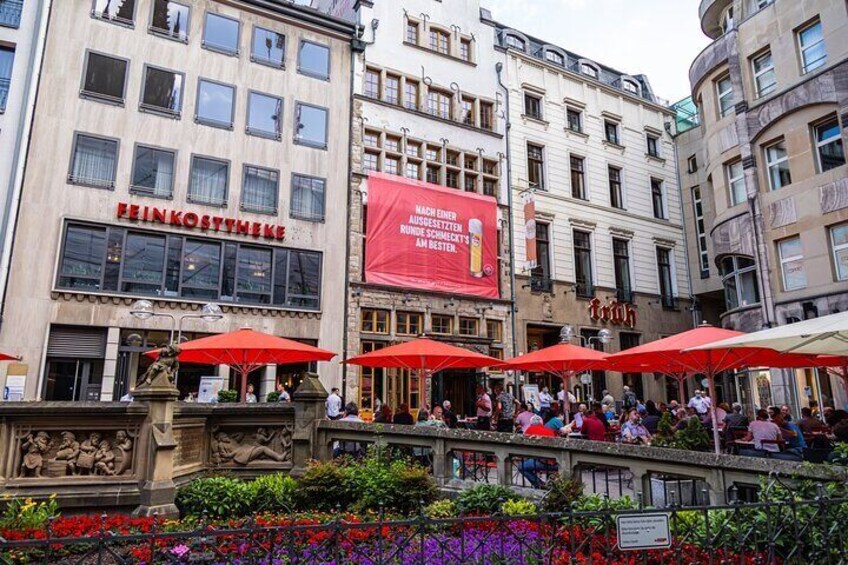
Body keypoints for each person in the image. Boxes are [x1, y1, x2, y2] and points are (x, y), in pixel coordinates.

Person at [517, 415, 557, 488]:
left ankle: (539, 484)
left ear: (531, 423)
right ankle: (546, 484)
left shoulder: (529, 430)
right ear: (542, 423)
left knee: (521, 467)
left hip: (541, 462)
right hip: (555, 462)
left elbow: (524, 447)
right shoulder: (549, 430)